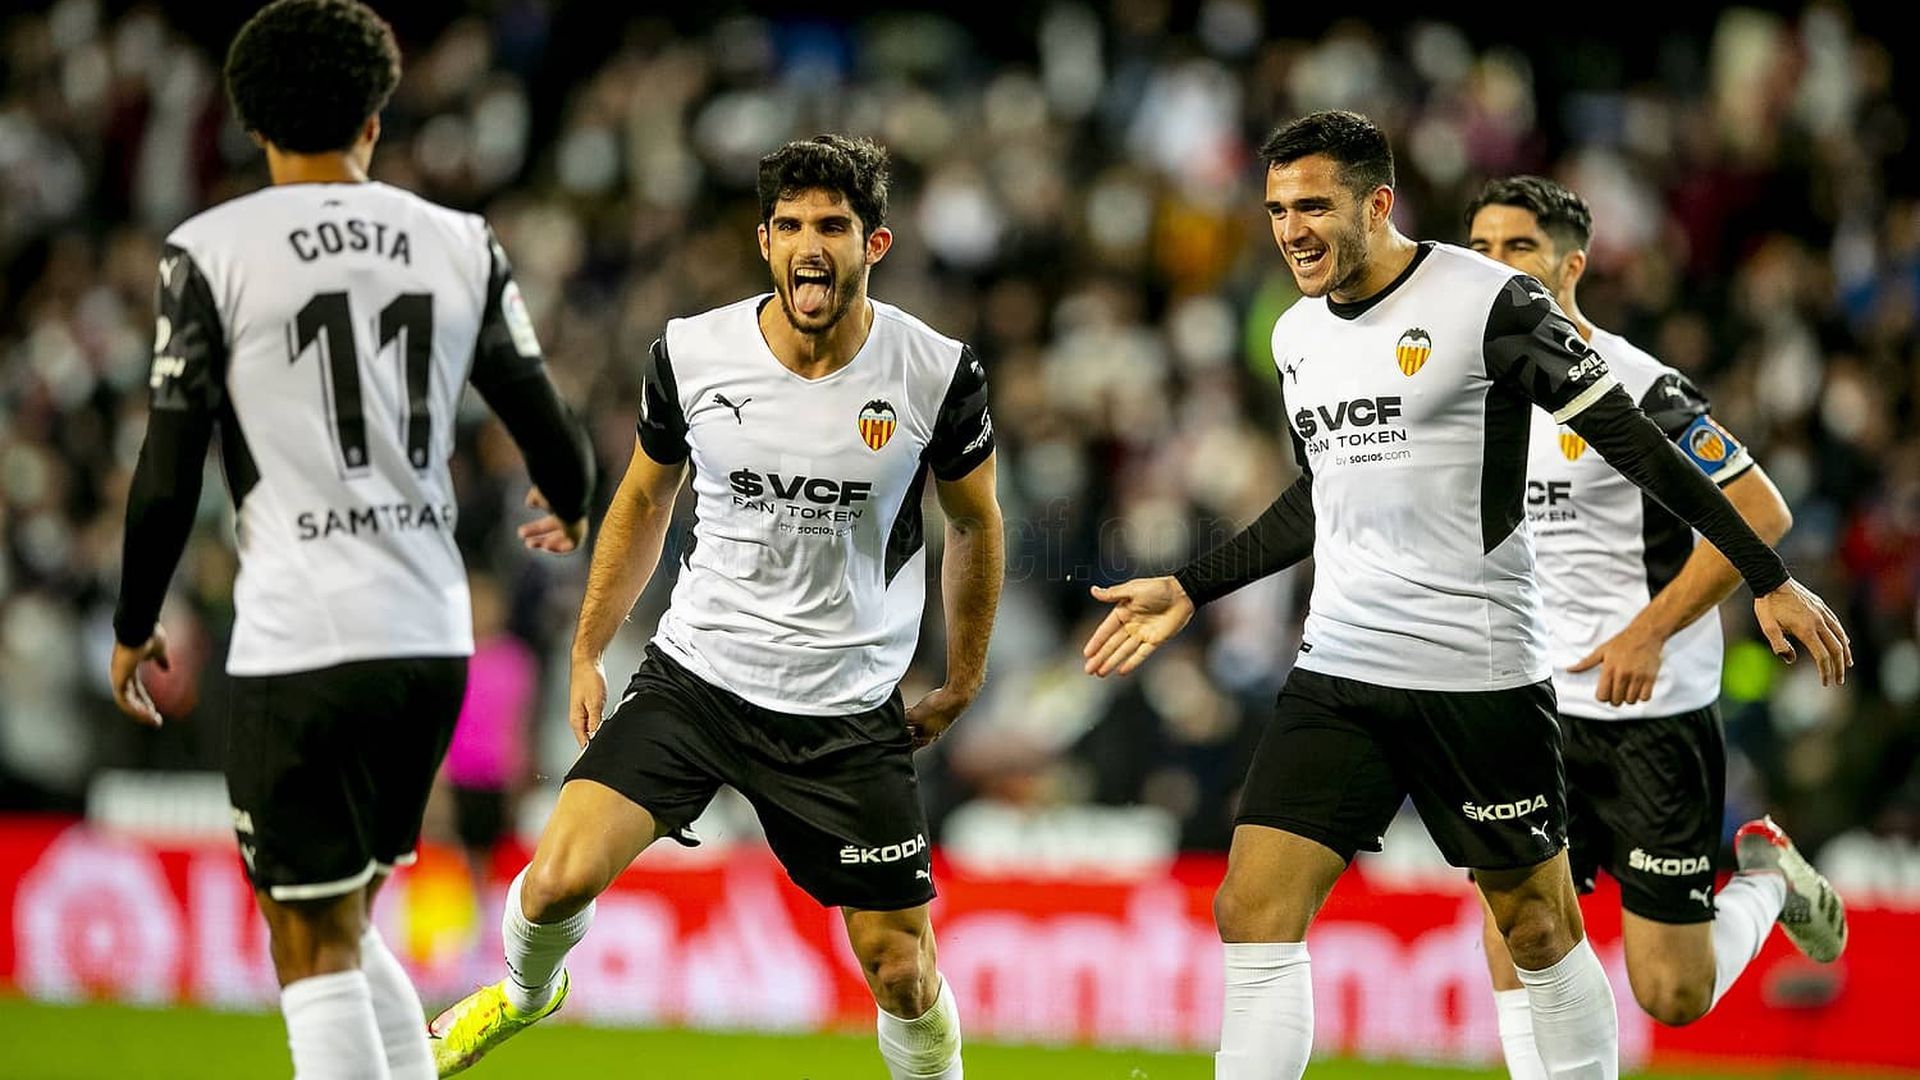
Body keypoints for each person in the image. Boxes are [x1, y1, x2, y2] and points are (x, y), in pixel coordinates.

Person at [1082, 111, 1850, 1080]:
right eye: (1277, 209)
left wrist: (1768, 575)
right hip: (1340, 669)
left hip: (1478, 677)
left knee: (1542, 931)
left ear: (1378, 203)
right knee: (1253, 905)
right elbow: (1324, 495)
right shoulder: (1294, 336)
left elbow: (1637, 445)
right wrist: (1193, 587)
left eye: (1314, 205)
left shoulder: (1486, 304)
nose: (1292, 229)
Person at [428, 134, 1003, 1080]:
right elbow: (645, 499)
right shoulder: (693, 352)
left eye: (833, 226)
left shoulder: (936, 375)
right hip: (698, 680)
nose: (809, 244)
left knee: (900, 970)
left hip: (844, 710)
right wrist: (588, 649)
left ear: (876, 245)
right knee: (552, 882)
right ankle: (526, 996)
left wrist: (965, 675)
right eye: (789, 226)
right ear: (764, 242)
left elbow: (976, 527)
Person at [106, 3, 595, 1078]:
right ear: (377, 115)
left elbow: (168, 467)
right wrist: (570, 500)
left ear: (248, 120)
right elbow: (555, 436)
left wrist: (136, 622)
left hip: (301, 634)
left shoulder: (210, 249)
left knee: (308, 939)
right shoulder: (461, 241)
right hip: (429, 641)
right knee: (345, 916)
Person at [1464, 175, 1846, 1072]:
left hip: (1652, 715)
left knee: (1672, 995)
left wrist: (1650, 630)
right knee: (1514, 923)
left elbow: (1762, 510)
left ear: (1571, 265)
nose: (1492, 267)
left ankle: (1763, 887)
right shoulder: (1478, 391)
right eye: (1478, 249)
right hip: (1535, 706)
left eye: (1516, 248)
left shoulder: (1638, 384)